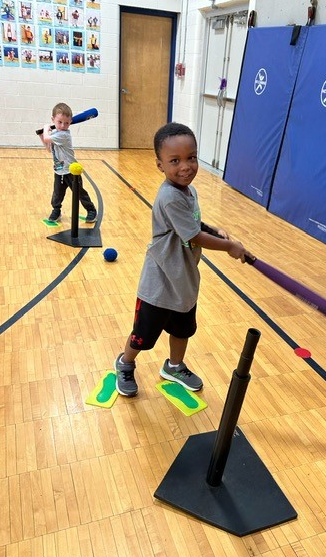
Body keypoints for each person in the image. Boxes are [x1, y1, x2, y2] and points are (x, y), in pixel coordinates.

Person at [113, 122, 252, 397]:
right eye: (175, 161)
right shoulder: (169, 197)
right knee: (143, 335)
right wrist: (229, 246)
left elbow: (195, 225)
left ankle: (174, 366)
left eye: (191, 158)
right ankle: (125, 362)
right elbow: (195, 237)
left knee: (182, 330)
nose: (185, 166)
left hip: (184, 280)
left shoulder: (190, 191)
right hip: (160, 284)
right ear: (160, 165)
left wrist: (215, 230)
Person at [40, 102, 97, 223]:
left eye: (66, 123)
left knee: (79, 193)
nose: (62, 125)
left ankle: (91, 210)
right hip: (59, 170)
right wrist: (42, 135)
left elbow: (47, 138)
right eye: (59, 122)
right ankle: (56, 211)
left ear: (70, 122)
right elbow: (49, 148)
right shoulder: (55, 133)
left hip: (71, 171)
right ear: (53, 119)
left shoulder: (64, 135)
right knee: (57, 195)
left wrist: (45, 130)